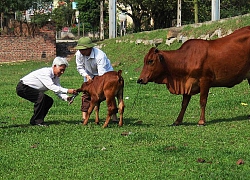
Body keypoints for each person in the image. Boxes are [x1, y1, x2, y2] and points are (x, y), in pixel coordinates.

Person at [16, 57, 77, 126]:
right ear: (54, 66)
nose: (62, 72)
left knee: (48, 100)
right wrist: (68, 90)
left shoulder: (55, 77)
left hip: (30, 88)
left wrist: (66, 97)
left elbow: (57, 89)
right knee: (41, 97)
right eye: (61, 70)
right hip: (23, 87)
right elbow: (51, 86)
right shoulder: (46, 73)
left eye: (64, 70)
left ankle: (34, 120)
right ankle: (38, 121)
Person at [75, 37, 117, 122]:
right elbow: (79, 67)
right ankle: (84, 117)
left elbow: (102, 74)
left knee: (109, 94)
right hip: (89, 74)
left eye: (83, 49)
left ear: (89, 48)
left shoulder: (100, 56)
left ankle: (114, 116)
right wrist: (86, 76)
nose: (81, 51)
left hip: (105, 74)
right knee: (86, 93)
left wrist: (96, 85)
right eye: (80, 49)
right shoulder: (79, 54)